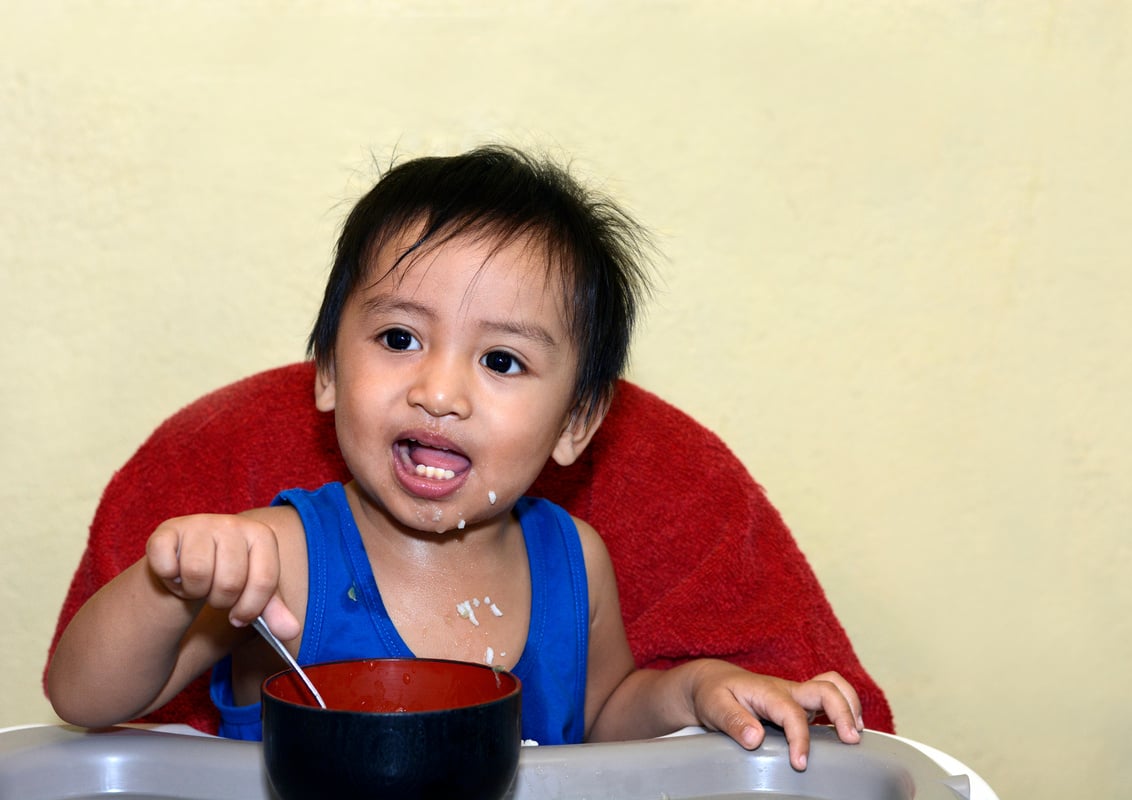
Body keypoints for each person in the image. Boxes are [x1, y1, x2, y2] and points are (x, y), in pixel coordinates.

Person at [45, 144, 862, 770]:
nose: (439, 391)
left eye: (501, 361)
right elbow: (81, 698)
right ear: (328, 372)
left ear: (577, 421)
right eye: (399, 338)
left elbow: (606, 718)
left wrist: (697, 689)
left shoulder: (574, 562)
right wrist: (171, 581)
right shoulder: (278, 557)